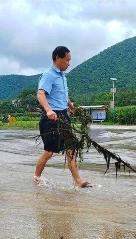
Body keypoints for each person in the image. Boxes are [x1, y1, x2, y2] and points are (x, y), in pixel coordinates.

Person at [34, 46, 92, 188]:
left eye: (69, 60)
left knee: (71, 148)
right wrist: (48, 110)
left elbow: (62, 96)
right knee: (49, 152)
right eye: (67, 60)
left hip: (64, 116)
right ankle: (36, 178)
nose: (69, 63)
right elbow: (40, 94)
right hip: (51, 118)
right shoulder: (49, 75)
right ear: (57, 58)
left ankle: (78, 181)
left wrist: (71, 107)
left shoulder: (62, 76)